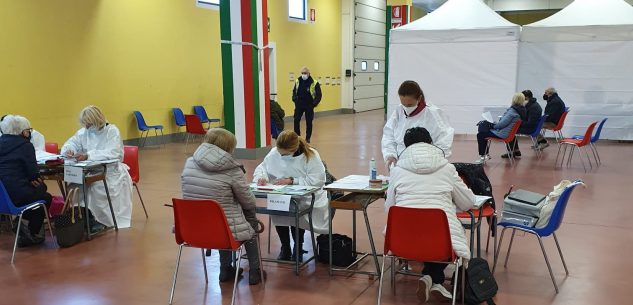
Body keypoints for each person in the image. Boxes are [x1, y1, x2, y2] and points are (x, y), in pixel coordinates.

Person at [385, 127, 475, 303]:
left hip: (402, 241)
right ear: (431, 144)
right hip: (440, 241)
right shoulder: (447, 169)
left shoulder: (397, 170)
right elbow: (467, 203)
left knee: (427, 228)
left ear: (406, 147)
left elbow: (390, 209)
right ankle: (434, 280)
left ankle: (433, 280)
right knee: (437, 230)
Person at [180, 128, 263, 285]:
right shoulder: (232, 169)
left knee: (218, 220)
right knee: (249, 225)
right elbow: (249, 202)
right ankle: (255, 271)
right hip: (224, 231)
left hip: (192, 230)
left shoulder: (189, 162)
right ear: (229, 147)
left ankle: (225, 269)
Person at [253, 130, 328, 262]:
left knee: (295, 211)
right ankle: (285, 247)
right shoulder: (275, 152)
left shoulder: (310, 155)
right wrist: (262, 177)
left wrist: (293, 180)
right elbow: (262, 167)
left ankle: (298, 248)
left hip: (305, 196)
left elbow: (317, 180)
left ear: (294, 149)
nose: (281, 156)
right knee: (277, 209)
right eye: (280, 153)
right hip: (280, 193)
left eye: (285, 154)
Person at [60, 105, 133, 230]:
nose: (87, 127)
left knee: (96, 187)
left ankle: (100, 220)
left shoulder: (111, 131)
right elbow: (71, 143)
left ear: (96, 120)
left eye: (88, 123)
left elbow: (114, 153)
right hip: (88, 170)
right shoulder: (84, 132)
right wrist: (69, 150)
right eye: (85, 124)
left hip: (110, 171)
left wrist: (88, 155)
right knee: (75, 186)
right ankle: (82, 218)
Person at [0, 115, 52, 247]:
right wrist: (32, 180)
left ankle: (22, 224)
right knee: (44, 193)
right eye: (29, 130)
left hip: (3, 197)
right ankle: (29, 231)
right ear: (23, 132)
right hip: (17, 196)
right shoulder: (25, 145)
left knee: (37, 192)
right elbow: (34, 175)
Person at [382, 80, 454, 170]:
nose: (406, 108)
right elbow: (388, 136)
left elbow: (444, 141)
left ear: (419, 98)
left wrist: (434, 161)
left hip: (427, 164)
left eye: (410, 104)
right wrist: (390, 155)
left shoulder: (433, 114)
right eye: (403, 104)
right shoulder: (398, 111)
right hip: (401, 164)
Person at [475, 93, 526, 164]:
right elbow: (504, 123)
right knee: (483, 131)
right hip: (505, 132)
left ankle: (483, 156)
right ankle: (485, 155)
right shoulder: (520, 110)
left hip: (502, 133)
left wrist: (493, 125)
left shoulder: (512, 112)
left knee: (480, 134)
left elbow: (501, 125)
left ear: (514, 99)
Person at [503, 90, 543, 158]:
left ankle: (512, 152)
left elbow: (530, 123)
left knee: (509, 130)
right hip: (532, 127)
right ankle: (516, 151)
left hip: (531, 129)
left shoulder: (533, 107)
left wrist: (517, 122)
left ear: (526, 98)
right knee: (511, 128)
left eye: (522, 98)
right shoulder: (533, 104)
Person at [292, 67, 322, 143]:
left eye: (305, 73)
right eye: (302, 73)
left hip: (309, 104)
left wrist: (314, 104)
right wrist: (294, 99)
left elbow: (319, 95)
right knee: (296, 120)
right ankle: (297, 136)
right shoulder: (298, 81)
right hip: (299, 104)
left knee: (309, 121)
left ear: (309, 74)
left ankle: (308, 138)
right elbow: (294, 91)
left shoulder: (314, 82)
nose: (303, 75)